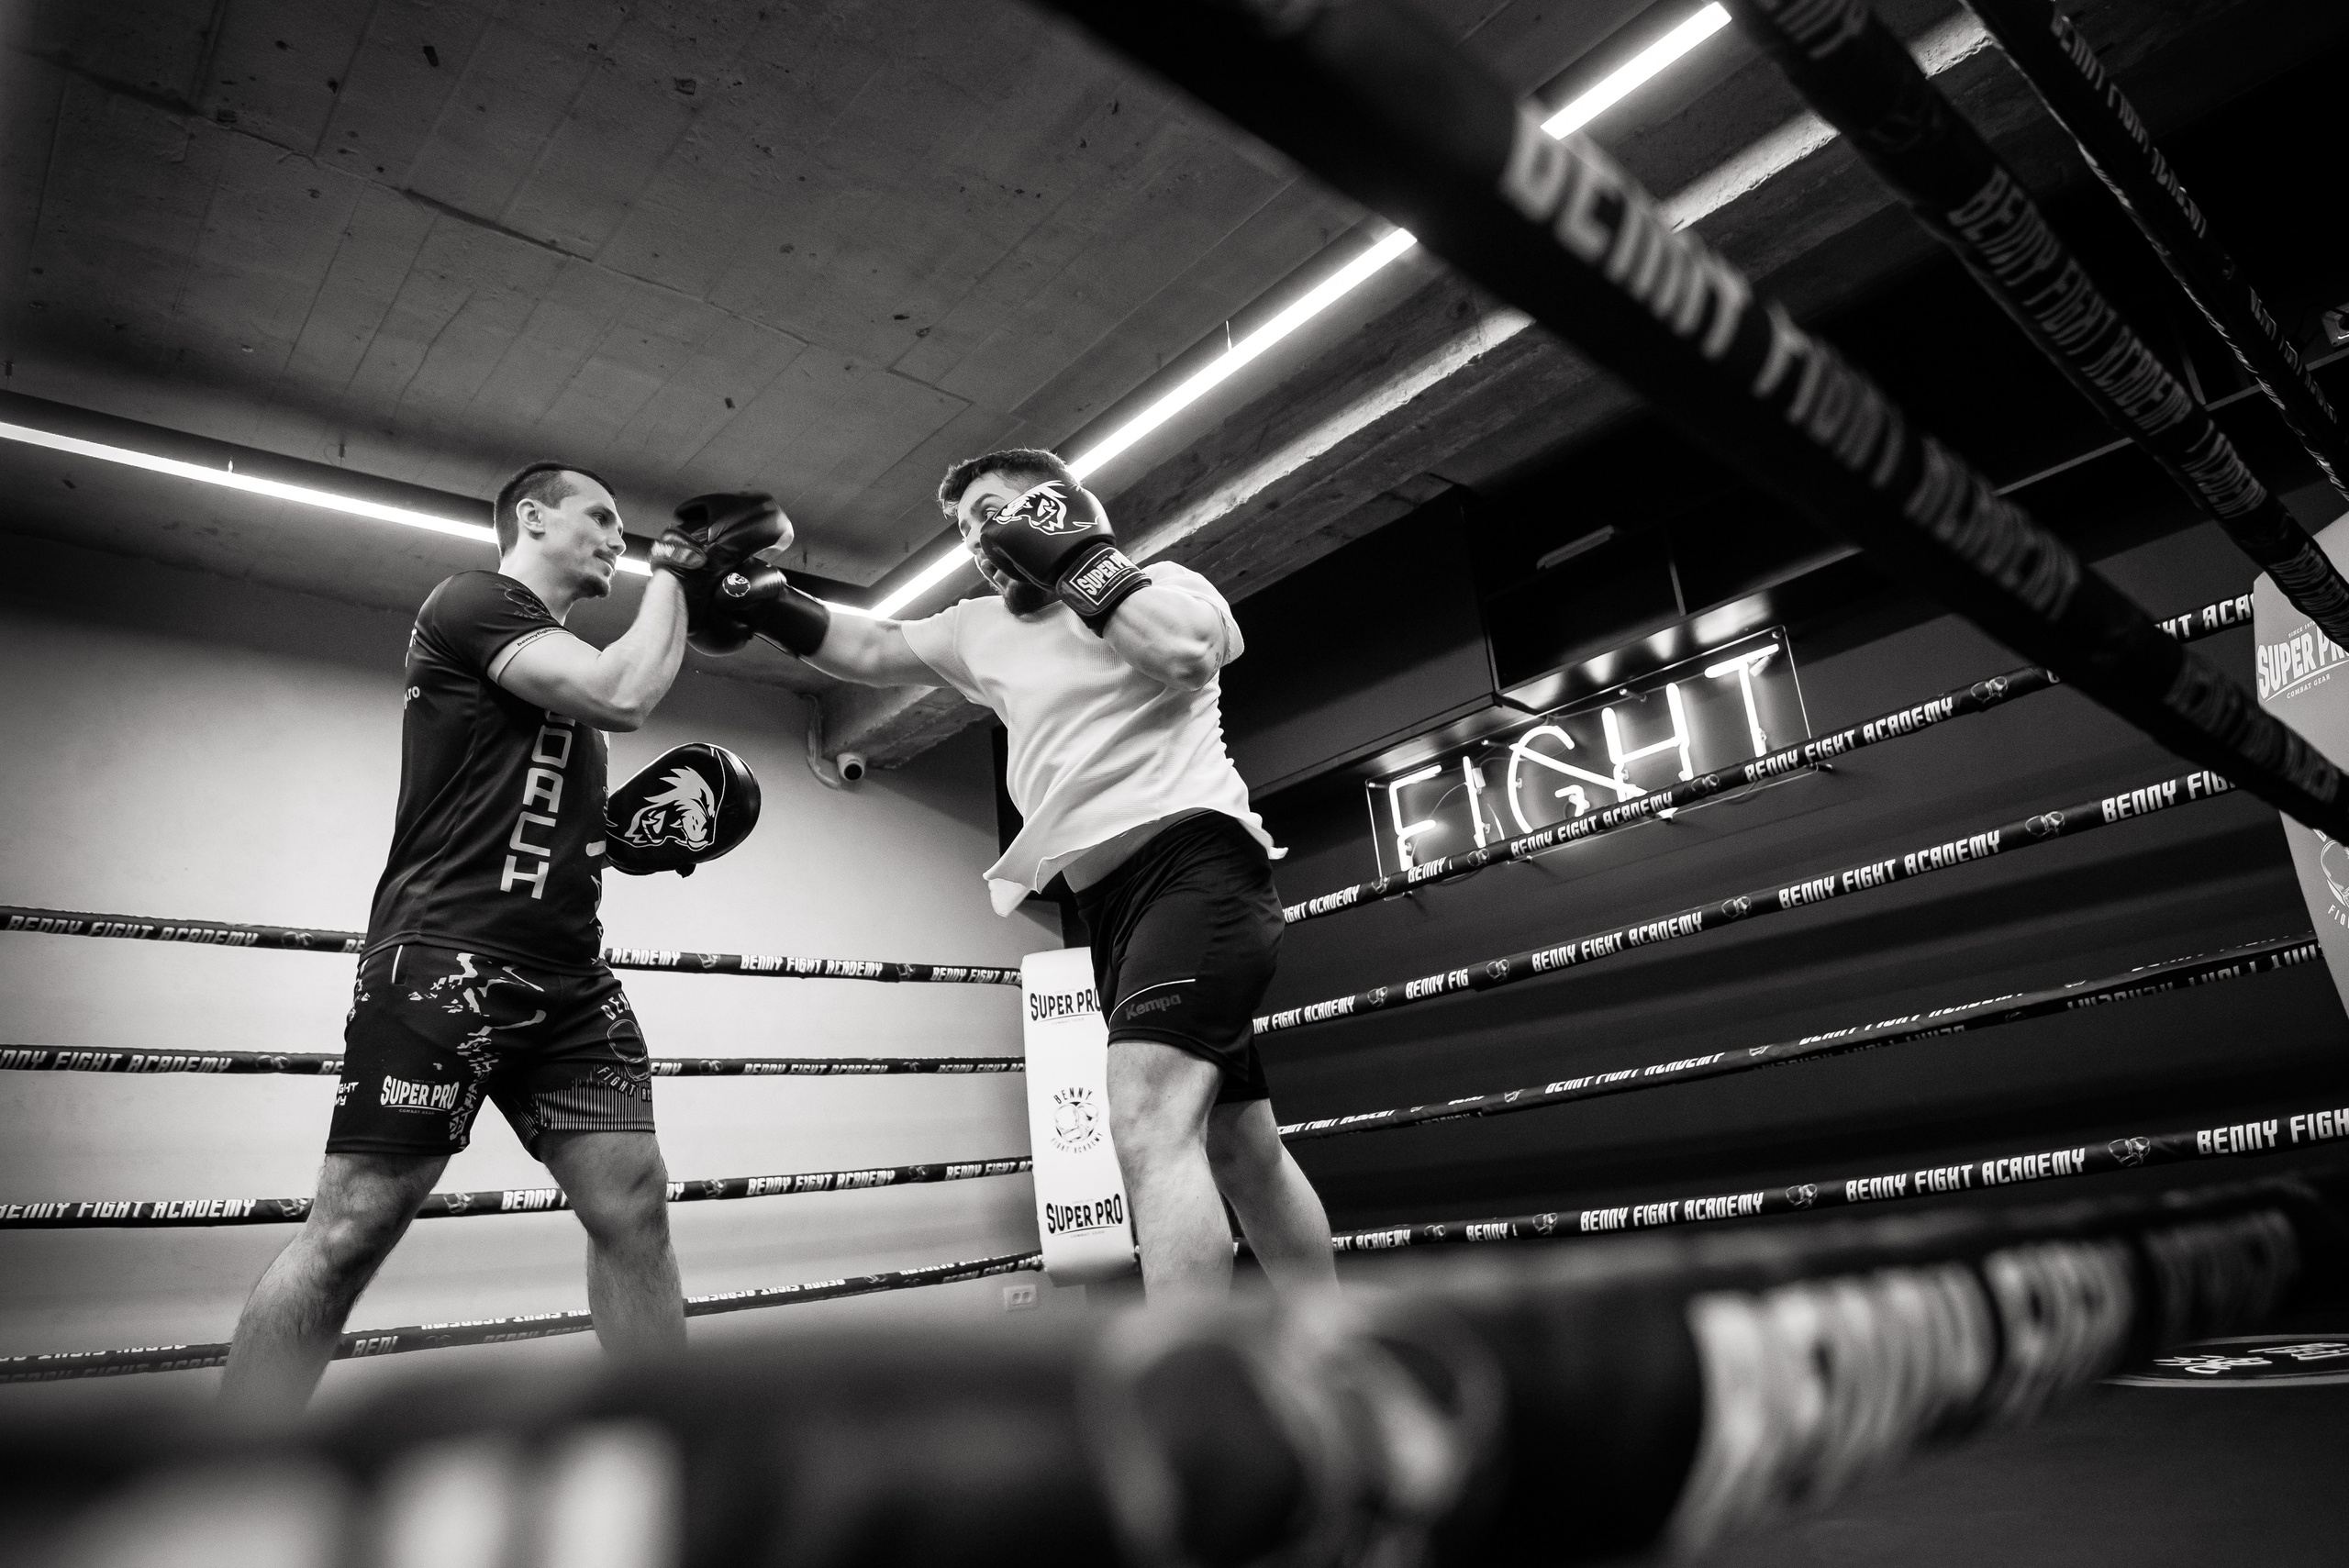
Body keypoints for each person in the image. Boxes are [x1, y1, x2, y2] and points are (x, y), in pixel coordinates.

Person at [710, 448, 1336, 1301]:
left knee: (1148, 1122)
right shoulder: (980, 628)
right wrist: (768, 600)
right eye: (968, 529)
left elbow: (1189, 654)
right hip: (1108, 906)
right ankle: (1330, 1336)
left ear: (1060, 508)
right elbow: (873, 643)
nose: (980, 536)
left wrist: (1075, 555)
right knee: (1238, 1146)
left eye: (998, 511)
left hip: (1196, 865)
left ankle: (1190, 1386)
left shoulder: (1168, 585)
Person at [218, 465, 778, 1413]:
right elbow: (622, 692)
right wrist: (676, 577)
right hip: (448, 958)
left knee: (633, 1206)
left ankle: (668, 1443)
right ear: (533, 516)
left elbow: (528, 807)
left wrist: (617, 840)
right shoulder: (477, 601)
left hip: (570, 979)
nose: (616, 534)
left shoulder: (551, 658)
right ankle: (224, 1469)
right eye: (599, 515)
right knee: (356, 1221)